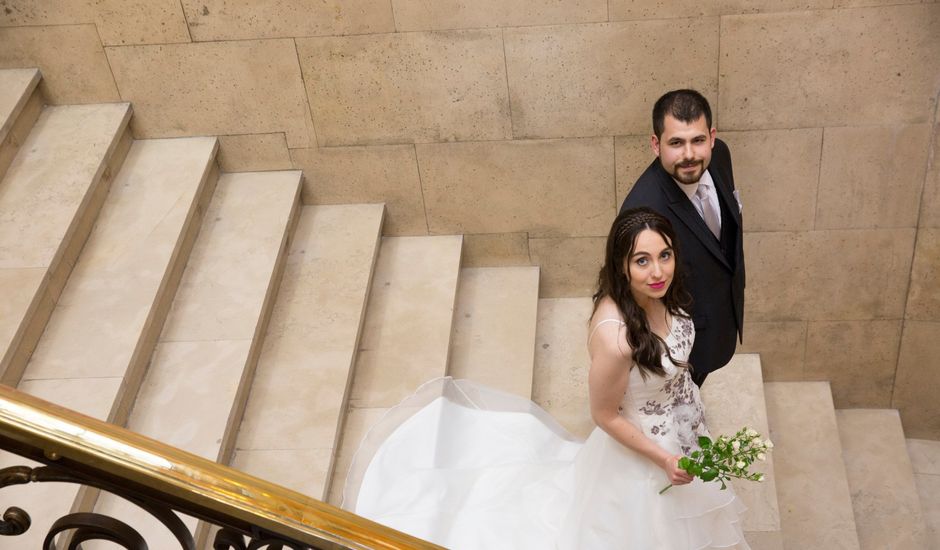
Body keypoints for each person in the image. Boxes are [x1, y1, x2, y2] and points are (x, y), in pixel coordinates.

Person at [342, 208, 749, 549]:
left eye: (665, 255)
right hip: (647, 448)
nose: (658, 271)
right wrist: (663, 458)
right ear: (622, 266)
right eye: (642, 260)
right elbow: (605, 415)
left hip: (684, 422)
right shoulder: (615, 337)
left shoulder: (667, 293)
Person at [621, 89, 745, 386]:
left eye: (698, 140)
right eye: (676, 143)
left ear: (712, 137)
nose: (689, 154)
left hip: (722, 315)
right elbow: (636, 294)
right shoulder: (644, 211)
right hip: (685, 341)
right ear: (656, 144)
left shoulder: (720, 156)